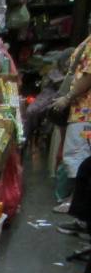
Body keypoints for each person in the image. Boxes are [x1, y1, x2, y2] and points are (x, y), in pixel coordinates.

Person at [51, 22, 91, 213]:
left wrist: (67, 97)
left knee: (78, 158)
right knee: (79, 158)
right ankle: (77, 204)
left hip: (85, 112)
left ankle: (77, 203)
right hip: (82, 111)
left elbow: (87, 75)